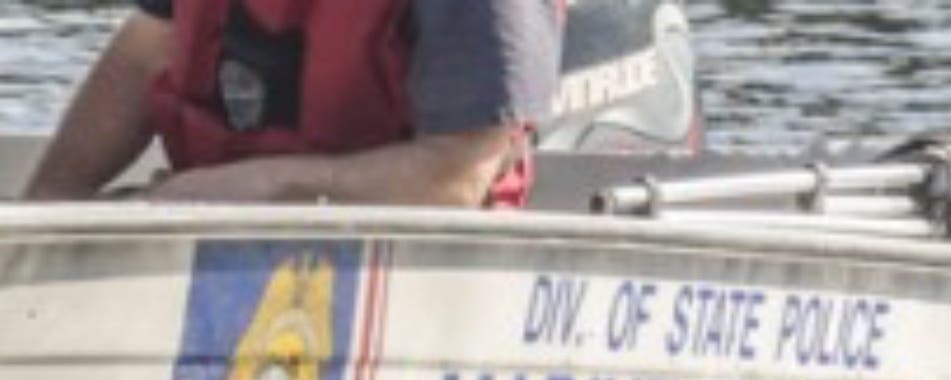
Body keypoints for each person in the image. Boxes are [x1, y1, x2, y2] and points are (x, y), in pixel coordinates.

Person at [23, 0, 564, 206]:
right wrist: (44, 212)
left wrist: (267, 186)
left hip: (402, 268)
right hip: (206, 239)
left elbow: (456, 177)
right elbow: (145, 53)